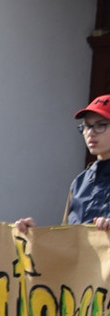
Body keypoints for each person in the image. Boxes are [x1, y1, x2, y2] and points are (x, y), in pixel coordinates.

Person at [16, 95, 110, 232]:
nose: (90, 133)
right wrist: (33, 235)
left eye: (100, 125)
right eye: (86, 126)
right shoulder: (80, 183)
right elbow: (66, 242)